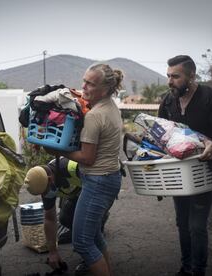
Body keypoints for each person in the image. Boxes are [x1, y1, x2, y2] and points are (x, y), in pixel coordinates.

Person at [158, 55, 212, 276]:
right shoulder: (167, 101)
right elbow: (161, 136)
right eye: (168, 76)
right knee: (182, 223)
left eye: (175, 76)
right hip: (178, 171)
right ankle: (186, 268)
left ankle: (198, 271)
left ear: (192, 75)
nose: (170, 81)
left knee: (197, 225)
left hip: (207, 169)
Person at [46, 63, 123, 276]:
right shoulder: (111, 106)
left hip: (98, 181)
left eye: (91, 83)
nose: (84, 87)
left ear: (105, 89)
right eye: (84, 81)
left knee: (81, 242)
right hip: (108, 179)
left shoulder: (95, 115)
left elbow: (87, 158)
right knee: (95, 236)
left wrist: (55, 149)